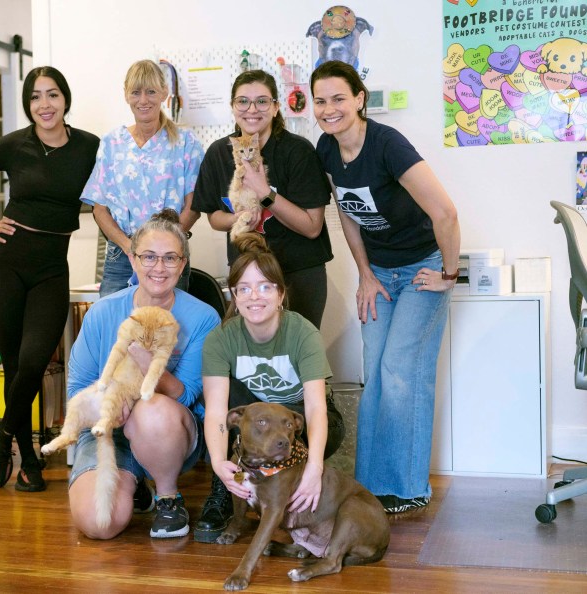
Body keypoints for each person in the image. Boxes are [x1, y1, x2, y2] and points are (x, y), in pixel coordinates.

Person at [310, 60, 461, 513]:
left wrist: (448, 277)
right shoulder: (327, 149)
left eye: (339, 98)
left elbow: (446, 215)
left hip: (422, 269)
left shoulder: (388, 145)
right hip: (381, 272)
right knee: (375, 369)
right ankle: (373, 486)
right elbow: (347, 213)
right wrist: (365, 275)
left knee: (401, 369)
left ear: (360, 99)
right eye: (320, 101)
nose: (329, 109)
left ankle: (410, 485)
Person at [0, 66, 99, 492]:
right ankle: (30, 463)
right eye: (35, 97)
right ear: (28, 104)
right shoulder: (15, 145)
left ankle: (4, 433)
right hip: (5, 265)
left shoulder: (89, 147)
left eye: (52, 95)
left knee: (34, 362)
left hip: (52, 267)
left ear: (65, 99)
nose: (44, 105)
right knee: (15, 367)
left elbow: (106, 195)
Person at [68, 209, 220, 540]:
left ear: (182, 265)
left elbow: (188, 394)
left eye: (170, 258)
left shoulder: (203, 317)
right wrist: (106, 407)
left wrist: (148, 362)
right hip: (110, 433)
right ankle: (134, 486)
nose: (158, 267)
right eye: (149, 257)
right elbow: (77, 388)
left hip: (166, 431)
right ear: (134, 260)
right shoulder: (103, 312)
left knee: (151, 409)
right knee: (99, 524)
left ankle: (168, 498)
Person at [197, 233, 341, 543]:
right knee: (234, 412)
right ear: (234, 295)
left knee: (316, 431)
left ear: (280, 292)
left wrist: (315, 468)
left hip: (298, 416)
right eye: (244, 289)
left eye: (265, 287)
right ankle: (229, 491)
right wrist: (221, 464)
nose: (255, 297)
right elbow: (216, 411)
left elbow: (316, 408)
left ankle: (292, 492)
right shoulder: (221, 338)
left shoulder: (303, 333)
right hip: (253, 419)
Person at [191, 69, 333, 330]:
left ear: (276, 107)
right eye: (242, 101)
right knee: (251, 363)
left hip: (298, 273)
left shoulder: (298, 151)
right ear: (233, 107)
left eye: (262, 101)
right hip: (247, 275)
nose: (251, 109)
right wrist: (238, 218)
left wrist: (265, 194)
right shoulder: (217, 153)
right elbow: (214, 217)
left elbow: (312, 227)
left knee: (299, 359)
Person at [81, 59, 204, 297]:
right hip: (122, 253)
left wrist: (163, 247)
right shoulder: (111, 144)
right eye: (136, 92)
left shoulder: (186, 143)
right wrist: (131, 248)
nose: (143, 100)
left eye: (151, 92)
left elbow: (193, 206)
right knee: (115, 330)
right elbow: (100, 210)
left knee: (166, 328)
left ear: (164, 93)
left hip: (169, 255)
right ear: (126, 95)